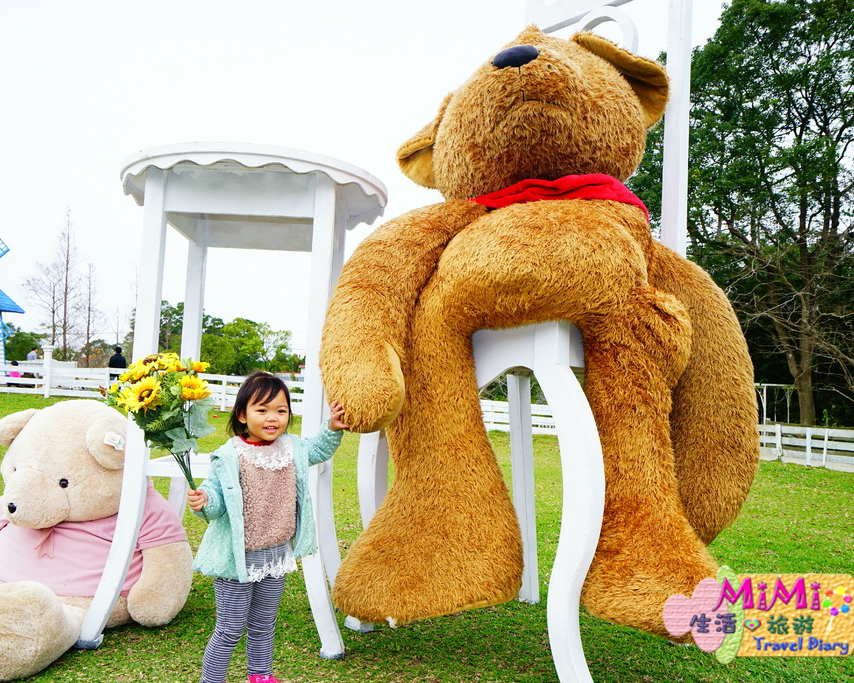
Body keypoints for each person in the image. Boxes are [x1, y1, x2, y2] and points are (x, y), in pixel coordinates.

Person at [187, 371, 348, 683]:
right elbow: (217, 500)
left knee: (264, 623)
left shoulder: (292, 448)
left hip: (276, 555)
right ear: (242, 415)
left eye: (281, 410)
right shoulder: (230, 454)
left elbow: (318, 449)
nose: (272, 418)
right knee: (230, 629)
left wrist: (332, 428)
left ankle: (260, 676)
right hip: (238, 560)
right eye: (262, 410)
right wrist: (205, 501)